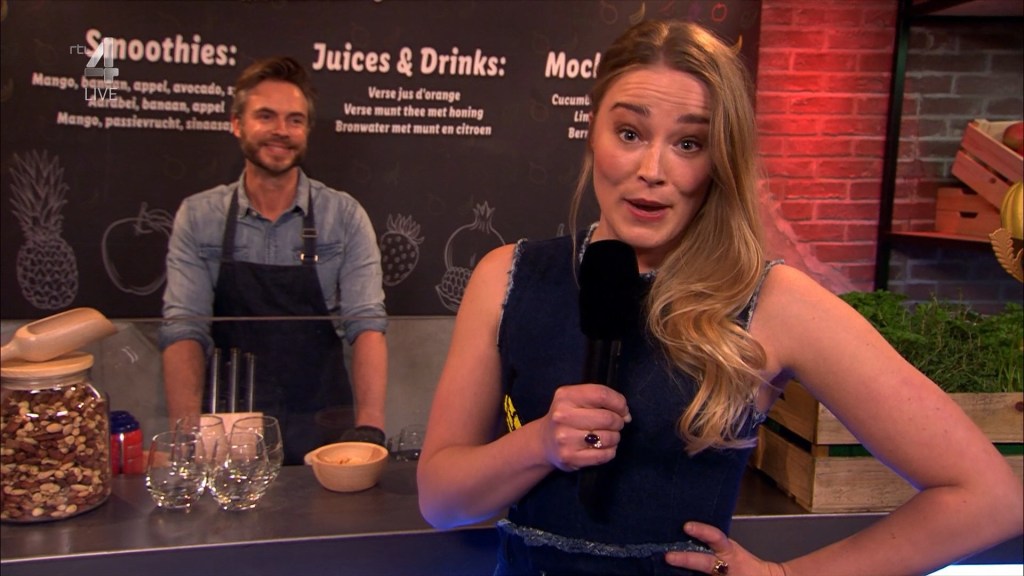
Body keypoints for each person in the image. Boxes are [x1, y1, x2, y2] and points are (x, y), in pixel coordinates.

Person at [416, 19, 1023, 576]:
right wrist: (540, 443)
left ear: (721, 158)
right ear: (592, 130)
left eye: (688, 144)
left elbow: (988, 499)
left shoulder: (774, 301)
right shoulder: (508, 275)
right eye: (629, 133)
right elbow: (442, 502)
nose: (652, 169)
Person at [159, 56, 388, 466]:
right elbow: (184, 329)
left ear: (307, 130)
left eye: (294, 120)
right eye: (265, 116)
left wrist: (370, 428)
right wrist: (187, 436)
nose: (281, 130)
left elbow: (367, 325)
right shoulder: (199, 216)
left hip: (324, 424)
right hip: (229, 428)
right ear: (237, 124)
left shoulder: (344, 216)